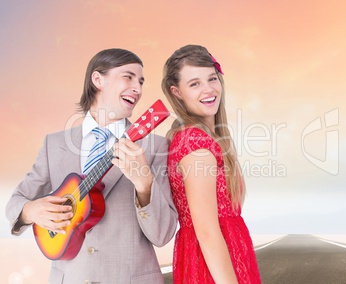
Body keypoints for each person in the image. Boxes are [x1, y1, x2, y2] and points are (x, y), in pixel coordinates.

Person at [5, 48, 178, 284]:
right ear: (98, 79)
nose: (137, 88)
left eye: (141, 81)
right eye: (128, 77)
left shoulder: (154, 147)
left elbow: (163, 235)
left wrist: (145, 185)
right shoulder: (54, 144)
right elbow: (16, 200)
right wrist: (30, 211)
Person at [161, 44, 261, 283]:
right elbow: (206, 232)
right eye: (194, 83)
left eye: (212, 78)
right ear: (177, 92)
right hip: (212, 268)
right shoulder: (195, 141)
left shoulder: (203, 137)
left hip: (220, 257)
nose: (208, 89)